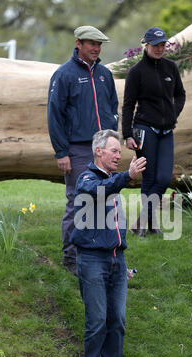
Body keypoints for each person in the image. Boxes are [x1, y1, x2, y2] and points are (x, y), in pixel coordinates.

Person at [70, 129, 146, 357]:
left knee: (118, 320)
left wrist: (120, 259)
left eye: (120, 151)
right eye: (114, 151)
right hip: (92, 260)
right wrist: (128, 176)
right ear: (98, 152)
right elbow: (98, 192)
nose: (119, 155)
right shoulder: (87, 180)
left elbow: (115, 226)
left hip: (116, 260)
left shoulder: (112, 181)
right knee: (97, 320)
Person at [47, 26, 119, 275]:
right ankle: (71, 257)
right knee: (78, 201)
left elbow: (112, 108)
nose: (96, 49)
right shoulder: (63, 75)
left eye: (99, 45)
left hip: (103, 149)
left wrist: (113, 143)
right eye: (91, 44)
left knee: (107, 200)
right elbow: (54, 116)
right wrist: (61, 152)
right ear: (78, 43)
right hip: (77, 150)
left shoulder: (105, 75)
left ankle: (104, 254)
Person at [122, 27, 186, 237]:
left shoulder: (171, 68)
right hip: (144, 129)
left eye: (162, 45)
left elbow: (180, 95)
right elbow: (128, 105)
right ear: (146, 45)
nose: (160, 49)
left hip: (167, 131)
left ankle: (141, 221)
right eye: (155, 45)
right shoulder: (136, 72)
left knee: (164, 178)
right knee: (149, 179)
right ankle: (150, 225)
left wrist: (172, 115)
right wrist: (127, 134)